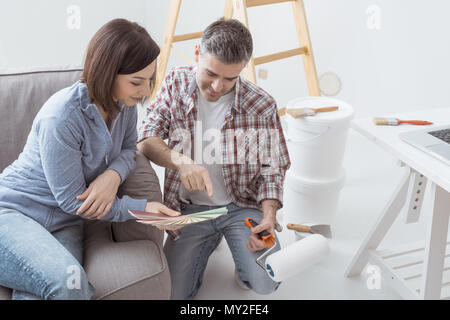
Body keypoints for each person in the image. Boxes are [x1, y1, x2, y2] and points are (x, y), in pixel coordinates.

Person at [0, 18, 179, 300]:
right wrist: (143, 208)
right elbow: (73, 200)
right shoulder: (61, 117)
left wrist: (113, 176)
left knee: (63, 287)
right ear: (107, 72)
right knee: (68, 286)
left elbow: (129, 148)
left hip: (63, 223)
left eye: (149, 80)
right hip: (12, 213)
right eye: (136, 81)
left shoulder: (125, 105)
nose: (146, 91)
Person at [137, 18, 291, 299]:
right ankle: (210, 240)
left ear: (242, 69)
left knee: (268, 281)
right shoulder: (174, 82)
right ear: (197, 53)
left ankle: (241, 260)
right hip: (190, 210)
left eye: (230, 78)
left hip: (240, 207)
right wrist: (180, 161)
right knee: (173, 295)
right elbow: (146, 139)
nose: (218, 87)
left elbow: (273, 168)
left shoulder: (262, 105)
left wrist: (268, 217)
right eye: (210, 73)